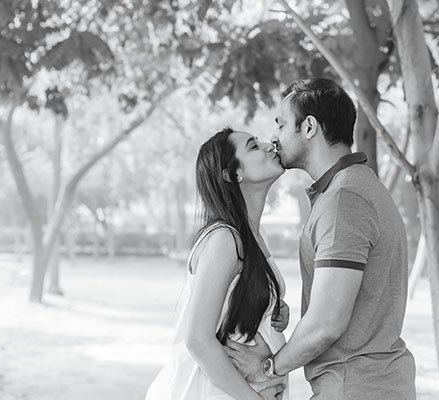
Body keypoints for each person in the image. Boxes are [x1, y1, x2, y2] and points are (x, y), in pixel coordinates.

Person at [224, 78, 416, 399]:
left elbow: (327, 322)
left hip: (354, 386)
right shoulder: (354, 187)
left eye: (282, 125)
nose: (274, 137)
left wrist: (269, 367)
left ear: (310, 126)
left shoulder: (344, 200)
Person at [145, 127, 290, 400]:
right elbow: (198, 339)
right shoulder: (224, 239)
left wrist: (273, 309)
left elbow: (234, 310)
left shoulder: (257, 237)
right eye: (253, 146)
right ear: (233, 174)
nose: (269, 144)